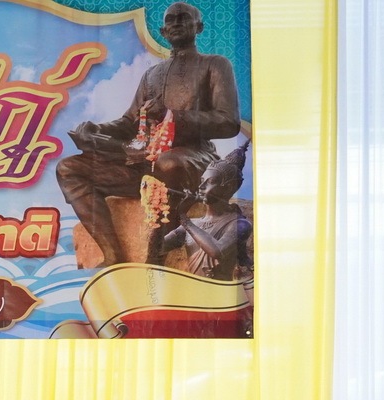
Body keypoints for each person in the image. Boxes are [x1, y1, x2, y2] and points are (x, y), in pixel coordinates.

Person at [55, 2, 241, 266]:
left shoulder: (215, 65)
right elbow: (130, 122)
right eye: (170, 20)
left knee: (169, 162)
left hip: (193, 158)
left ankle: (158, 251)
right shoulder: (152, 74)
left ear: (198, 27)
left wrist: (173, 116)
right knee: (69, 168)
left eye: (183, 18)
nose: (176, 23)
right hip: (146, 161)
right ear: (163, 32)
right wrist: (96, 129)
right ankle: (112, 254)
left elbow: (228, 122)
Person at [160, 140, 252, 280]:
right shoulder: (193, 224)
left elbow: (217, 251)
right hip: (194, 290)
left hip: (220, 291)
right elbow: (157, 248)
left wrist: (184, 219)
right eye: (202, 180)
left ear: (229, 187)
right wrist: (157, 211)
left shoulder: (240, 224)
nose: (201, 186)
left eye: (210, 182)